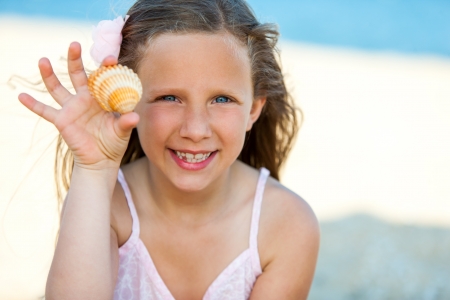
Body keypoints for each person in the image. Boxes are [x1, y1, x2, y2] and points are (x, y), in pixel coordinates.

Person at [18, 0, 320, 299]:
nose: (195, 130)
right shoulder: (106, 205)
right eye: (170, 98)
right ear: (129, 100)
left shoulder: (286, 225)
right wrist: (94, 170)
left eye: (222, 99)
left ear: (254, 109)